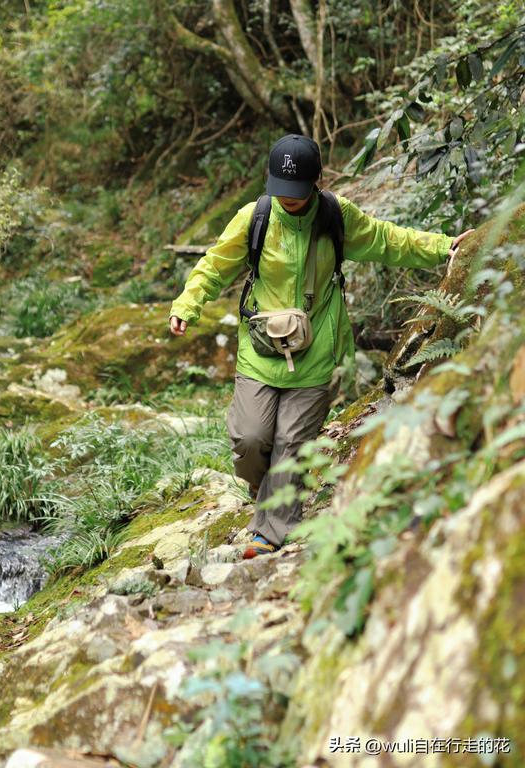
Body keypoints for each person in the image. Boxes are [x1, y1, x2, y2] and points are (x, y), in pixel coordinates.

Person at [169, 134, 473, 558]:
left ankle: (268, 533)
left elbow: (388, 240)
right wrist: (187, 304)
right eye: (281, 192)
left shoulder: (335, 216)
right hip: (260, 349)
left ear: (317, 182)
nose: (288, 201)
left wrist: (445, 246)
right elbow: (214, 265)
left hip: (316, 350)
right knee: (250, 439)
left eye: (296, 193)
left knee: (292, 442)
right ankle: (263, 486)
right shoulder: (255, 217)